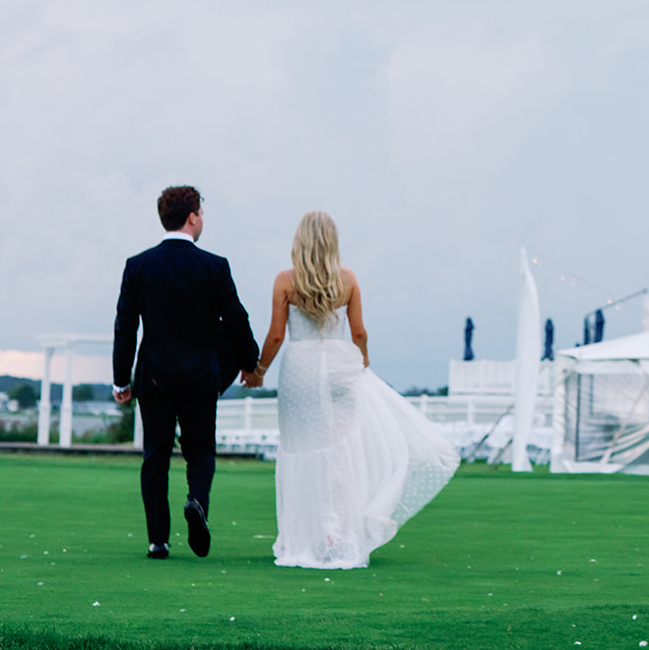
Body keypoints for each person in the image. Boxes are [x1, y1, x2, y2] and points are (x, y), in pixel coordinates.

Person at [250, 211, 458, 569]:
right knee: (340, 453)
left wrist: (258, 371)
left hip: (299, 370)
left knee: (302, 447)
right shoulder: (347, 279)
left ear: (299, 241)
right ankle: (338, 533)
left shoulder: (285, 280)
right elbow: (359, 332)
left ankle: (308, 536)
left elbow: (276, 336)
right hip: (339, 366)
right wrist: (363, 361)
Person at [113, 186, 259, 561]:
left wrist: (121, 379)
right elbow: (236, 318)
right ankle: (196, 502)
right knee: (200, 450)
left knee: (155, 456)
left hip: (154, 377)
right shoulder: (214, 266)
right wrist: (250, 361)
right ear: (192, 217)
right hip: (200, 377)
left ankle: (157, 541)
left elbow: (125, 326)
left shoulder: (139, 265)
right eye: (202, 214)